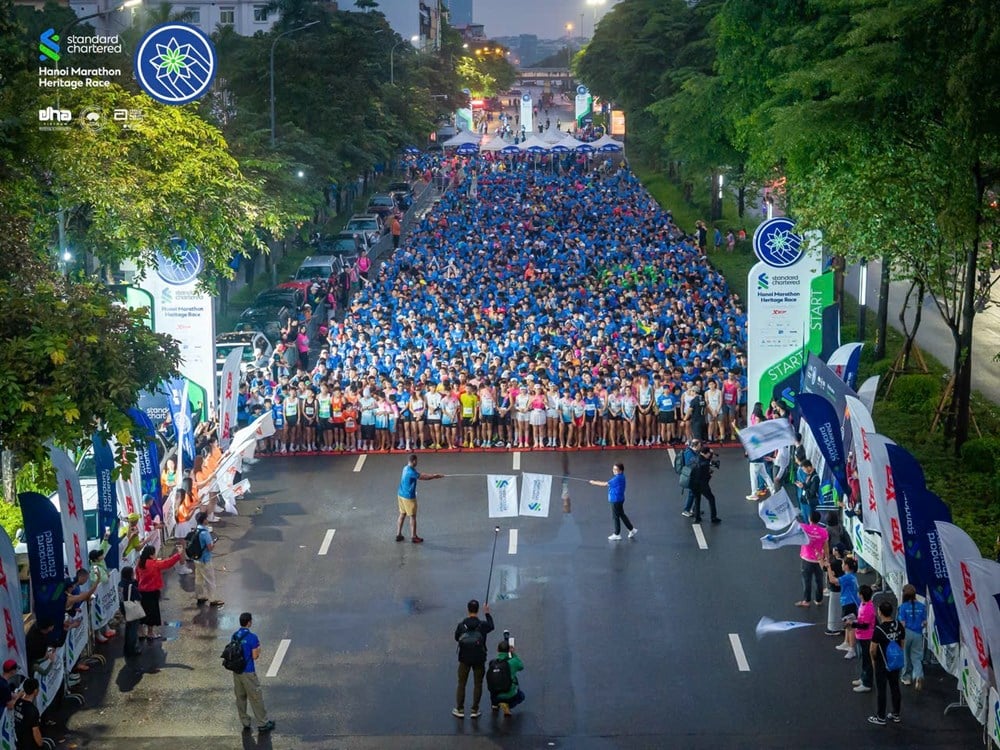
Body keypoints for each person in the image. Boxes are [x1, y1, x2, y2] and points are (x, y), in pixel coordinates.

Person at [232, 612, 275, 733]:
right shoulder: (252, 637)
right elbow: (255, 656)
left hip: (237, 672)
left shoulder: (234, 635)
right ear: (249, 622)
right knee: (256, 697)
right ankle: (262, 723)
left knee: (240, 698)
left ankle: (245, 722)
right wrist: (259, 649)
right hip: (248, 672)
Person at [453, 599, 494, 719]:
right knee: (478, 684)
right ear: (477, 610)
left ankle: (460, 709)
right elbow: (492, 626)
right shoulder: (482, 625)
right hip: (479, 658)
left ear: (468, 610)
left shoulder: (462, 625)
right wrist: (487, 613)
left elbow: (457, 638)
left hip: (464, 658)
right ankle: (474, 710)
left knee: (462, 683)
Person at [136, 543, 183, 640]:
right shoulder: (154, 564)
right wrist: (178, 554)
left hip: (142, 591)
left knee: (142, 612)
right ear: (150, 554)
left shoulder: (140, 563)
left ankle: (140, 632)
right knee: (152, 613)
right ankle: (150, 632)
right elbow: (168, 563)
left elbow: (137, 576)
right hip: (152, 591)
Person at [869, 599, 905, 725]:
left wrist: (874, 661)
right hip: (895, 661)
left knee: (882, 689)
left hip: (882, 662)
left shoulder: (879, 629)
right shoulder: (898, 625)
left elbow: (873, 649)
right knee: (895, 687)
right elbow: (902, 643)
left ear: (880, 612)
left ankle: (881, 717)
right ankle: (896, 713)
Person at [395, 454, 443, 544]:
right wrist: (434, 476)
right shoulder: (411, 472)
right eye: (416, 461)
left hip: (400, 495)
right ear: (414, 461)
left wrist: (432, 474)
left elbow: (420, 474)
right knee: (412, 517)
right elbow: (423, 477)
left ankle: (398, 534)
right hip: (408, 497)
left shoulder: (405, 468)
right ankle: (414, 537)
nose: (417, 462)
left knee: (402, 514)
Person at [589, 462, 636, 541]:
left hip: (615, 500)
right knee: (621, 514)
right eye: (613, 469)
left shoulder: (616, 479)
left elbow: (604, 484)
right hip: (620, 499)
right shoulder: (622, 477)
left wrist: (593, 482)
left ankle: (617, 534)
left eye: (615, 469)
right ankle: (631, 529)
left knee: (615, 517)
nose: (613, 470)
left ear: (620, 471)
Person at [794, 510, 829, 608]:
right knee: (819, 580)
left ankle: (807, 600)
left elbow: (794, 525)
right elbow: (826, 547)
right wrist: (827, 559)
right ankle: (819, 600)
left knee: (807, 580)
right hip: (819, 560)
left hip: (806, 559)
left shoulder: (804, 528)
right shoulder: (823, 531)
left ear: (809, 518)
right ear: (819, 520)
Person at [192, 511, 224, 608]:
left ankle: (199, 596)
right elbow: (210, 548)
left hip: (197, 559)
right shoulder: (205, 533)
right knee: (210, 580)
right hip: (205, 560)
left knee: (199, 579)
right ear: (204, 520)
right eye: (206, 518)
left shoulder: (196, 530)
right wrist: (213, 544)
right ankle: (212, 599)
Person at [898, 584, 927, 689]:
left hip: (906, 633)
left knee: (906, 656)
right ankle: (918, 675)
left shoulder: (902, 607)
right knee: (917, 657)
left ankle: (906, 677)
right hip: (918, 634)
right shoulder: (922, 606)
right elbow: (924, 622)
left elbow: (903, 623)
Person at [489, 639, 525, 716]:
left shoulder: (492, 663)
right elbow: (521, 666)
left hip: (496, 694)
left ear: (497, 650)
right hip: (509, 694)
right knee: (521, 696)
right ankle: (508, 705)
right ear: (509, 650)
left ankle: (495, 704)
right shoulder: (513, 662)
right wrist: (513, 654)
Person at [850, 584, 876, 693]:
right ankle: (863, 678)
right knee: (864, 660)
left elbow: (865, 625)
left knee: (867, 660)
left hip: (867, 637)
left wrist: (852, 624)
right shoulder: (864, 604)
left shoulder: (868, 608)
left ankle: (867, 683)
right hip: (861, 636)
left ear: (861, 595)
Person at [689, 445, 721, 524]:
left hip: (692, 483)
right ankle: (713, 517)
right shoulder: (705, 463)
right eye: (709, 454)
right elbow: (706, 469)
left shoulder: (695, 458)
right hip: (702, 484)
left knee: (697, 499)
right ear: (706, 453)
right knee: (711, 498)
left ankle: (697, 517)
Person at [118, 565, 143, 657]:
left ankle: (127, 648)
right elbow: (138, 597)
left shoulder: (120, 584)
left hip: (123, 607)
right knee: (133, 629)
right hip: (132, 608)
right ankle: (132, 649)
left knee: (128, 627)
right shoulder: (131, 586)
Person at [13, 678, 42, 749]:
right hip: (29, 744)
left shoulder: (17, 702)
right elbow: (36, 731)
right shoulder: (32, 710)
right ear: (35, 691)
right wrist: (41, 744)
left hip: (17, 741)